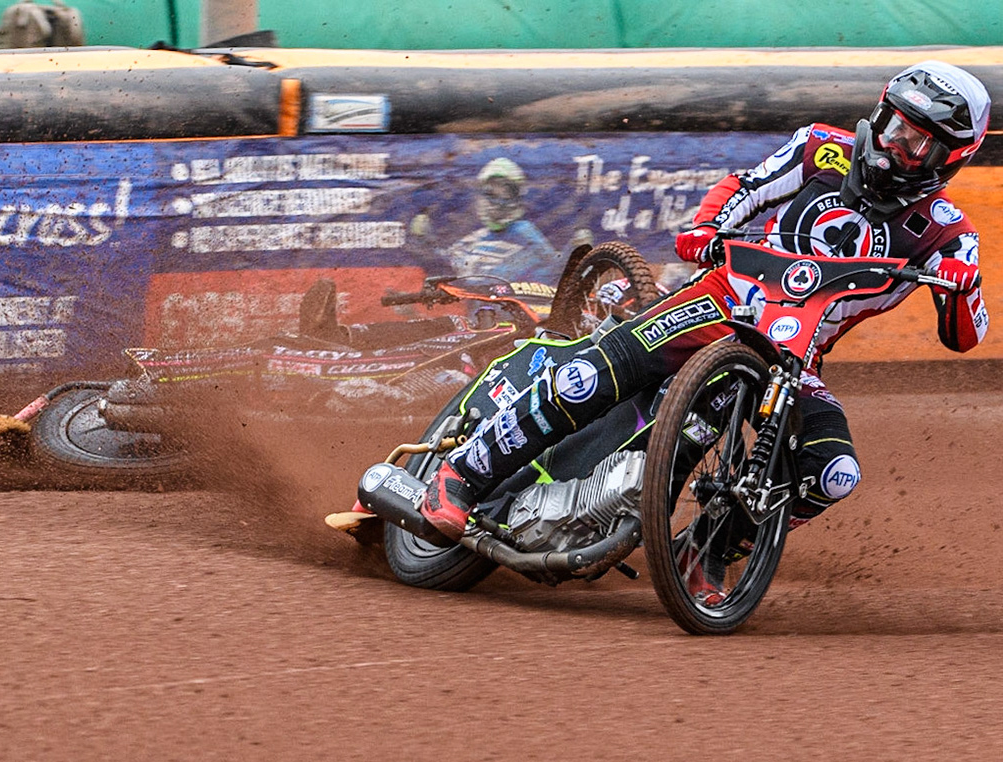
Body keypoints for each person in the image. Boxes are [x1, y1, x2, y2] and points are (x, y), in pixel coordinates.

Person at [419, 61, 991, 603]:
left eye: (919, 143)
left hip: (795, 357)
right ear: (880, 113)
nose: (896, 145)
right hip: (722, 297)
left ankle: (705, 551)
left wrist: (964, 288)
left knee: (833, 474)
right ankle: (461, 474)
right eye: (894, 125)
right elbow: (747, 185)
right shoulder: (823, 147)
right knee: (592, 373)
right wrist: (708, 228)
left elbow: (966, 336)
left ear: (949, 160)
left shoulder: (948, 233)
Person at [444, 157, 561, 285]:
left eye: (505, 194)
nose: (497, 202)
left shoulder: (524, 231)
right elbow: (449, 266)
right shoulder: (475, 238)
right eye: (491, 194)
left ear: (516, 196)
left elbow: (552, 271)